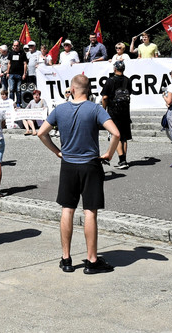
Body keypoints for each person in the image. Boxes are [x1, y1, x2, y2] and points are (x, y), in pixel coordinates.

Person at [36, 74, 118, 274]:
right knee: (90, 211)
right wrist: (109, 153)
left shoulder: (60, 109)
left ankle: (66, 259)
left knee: (67, 209)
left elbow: (41, 133)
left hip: (69, 164)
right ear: (88, 90)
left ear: (71, 89)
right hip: (90, 164)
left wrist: (57, 151)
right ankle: (91, 260)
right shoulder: (95, 108)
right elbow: (116, 133)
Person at [101, 60, 133, 168]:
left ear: (114, 69)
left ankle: (122, 161)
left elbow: (105, 97)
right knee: (124, 136)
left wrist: (103, 109)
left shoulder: (110, 81)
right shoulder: (128, 80)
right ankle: (124, 159)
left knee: (116, 135)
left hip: (114, 111)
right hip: (125, 111)